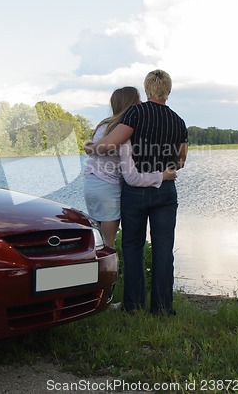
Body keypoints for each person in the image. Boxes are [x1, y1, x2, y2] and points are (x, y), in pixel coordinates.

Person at [85, 70, 188, 315]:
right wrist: (166, 168)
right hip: (165, 190)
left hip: (135, 191)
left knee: (132, 247)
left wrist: (91, 146)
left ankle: (133, 305)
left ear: (147, 89)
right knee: (164, 248)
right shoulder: (179, 121)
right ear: (168, 91)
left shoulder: (135, 113)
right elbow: (181, 160)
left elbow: (110, 145)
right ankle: (163, 308)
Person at [84, 86, 177, 248]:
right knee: (108, 246)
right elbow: (132, 176)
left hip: (91, 184)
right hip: (108, 189)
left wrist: (89, 147)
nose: (141, 103)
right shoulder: (123, 132)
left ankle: (90, 271)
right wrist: (162, 176)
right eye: (138, 100)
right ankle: (110, 272)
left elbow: (94, 148)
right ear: (131, 104)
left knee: (95, 243)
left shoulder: (104, 126)